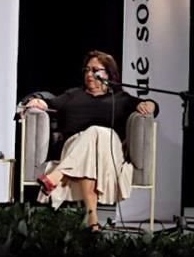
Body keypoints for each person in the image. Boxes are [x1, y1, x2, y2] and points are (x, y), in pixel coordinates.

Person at [23, 50, 157, 230]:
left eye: (95, 70)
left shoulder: (121, 98)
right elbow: (51, 103)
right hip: (75, 146)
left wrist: (150, 104)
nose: (89, 74)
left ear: (108, 74)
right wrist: (38, 102)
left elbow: (151, 105)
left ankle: (57, 176)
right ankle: (93, 221)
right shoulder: (73, 95)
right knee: (93, 143)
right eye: (86, 70)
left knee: (99, 133)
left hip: (109, 151)